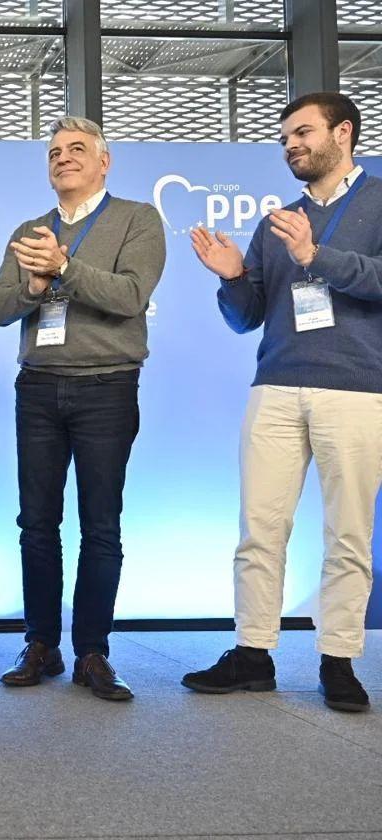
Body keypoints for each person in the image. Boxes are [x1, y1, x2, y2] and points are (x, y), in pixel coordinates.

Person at [185, 92, 382, 713]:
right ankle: (253, 653)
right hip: (274, 387)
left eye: (302, 133)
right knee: (259, 530)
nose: (291, 146)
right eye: (285, 138)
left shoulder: (378, 203)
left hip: (355, 389)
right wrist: (231, 276)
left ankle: (340, 659)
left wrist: (315, 256)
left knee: (346, 532)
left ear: (343, 133)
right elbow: (247, 318)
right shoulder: (276, 222)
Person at [0, 116, 166, 702]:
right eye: (55, 152)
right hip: (37, 389)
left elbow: (130, 295)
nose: (63, 158)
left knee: (100, 526)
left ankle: (93, 652)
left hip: (107, 388)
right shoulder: (29, 229)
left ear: (104, 161)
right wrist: (34, 289)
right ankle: (42, 643)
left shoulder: (137, 219)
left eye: (77, 150)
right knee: (36, 525)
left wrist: (63, 268)